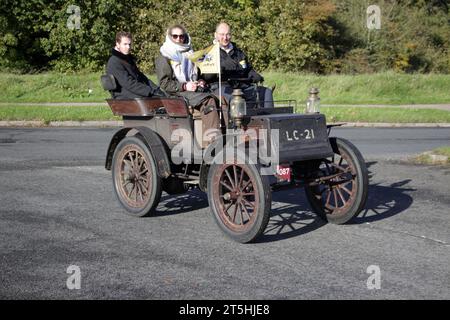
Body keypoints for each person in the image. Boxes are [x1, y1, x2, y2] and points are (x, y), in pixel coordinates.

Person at [155, 24, 222, 147]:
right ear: (169, 37)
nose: (179, 39)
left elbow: (197, 73)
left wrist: (201, 80)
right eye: (175, 36)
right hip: (176, 93)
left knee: (222, 99)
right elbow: (164, 84)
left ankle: (227, 138)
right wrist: (185, 86)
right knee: (209, 101)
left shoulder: (190, 52)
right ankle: (212, 145)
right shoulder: (164, 56)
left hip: (193, 89)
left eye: (182, 36)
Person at [206, 22, 274, 108]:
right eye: (222, 34)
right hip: (222, 87)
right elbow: (205, 76)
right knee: (236, 98)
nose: (225, 38)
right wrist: (218, 69)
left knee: (266, 92)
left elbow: (247, 69)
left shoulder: (238, 53)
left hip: (241, 85)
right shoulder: (209, 53)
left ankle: (266, 119)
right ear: (215, 35)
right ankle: (236, 121)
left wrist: (254, 75)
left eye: (228, 34)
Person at [106, 31, 164, 99]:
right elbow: (129, 83)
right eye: (125, 44)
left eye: (129, 44)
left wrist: (156, 89)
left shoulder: (127, 59)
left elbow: (141, 77)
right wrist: (150, 91)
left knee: (164, 97)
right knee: (159, 100)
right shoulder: (114, 62)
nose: (128, 47)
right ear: (117, 44)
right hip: (124, 96)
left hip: (134, 93)